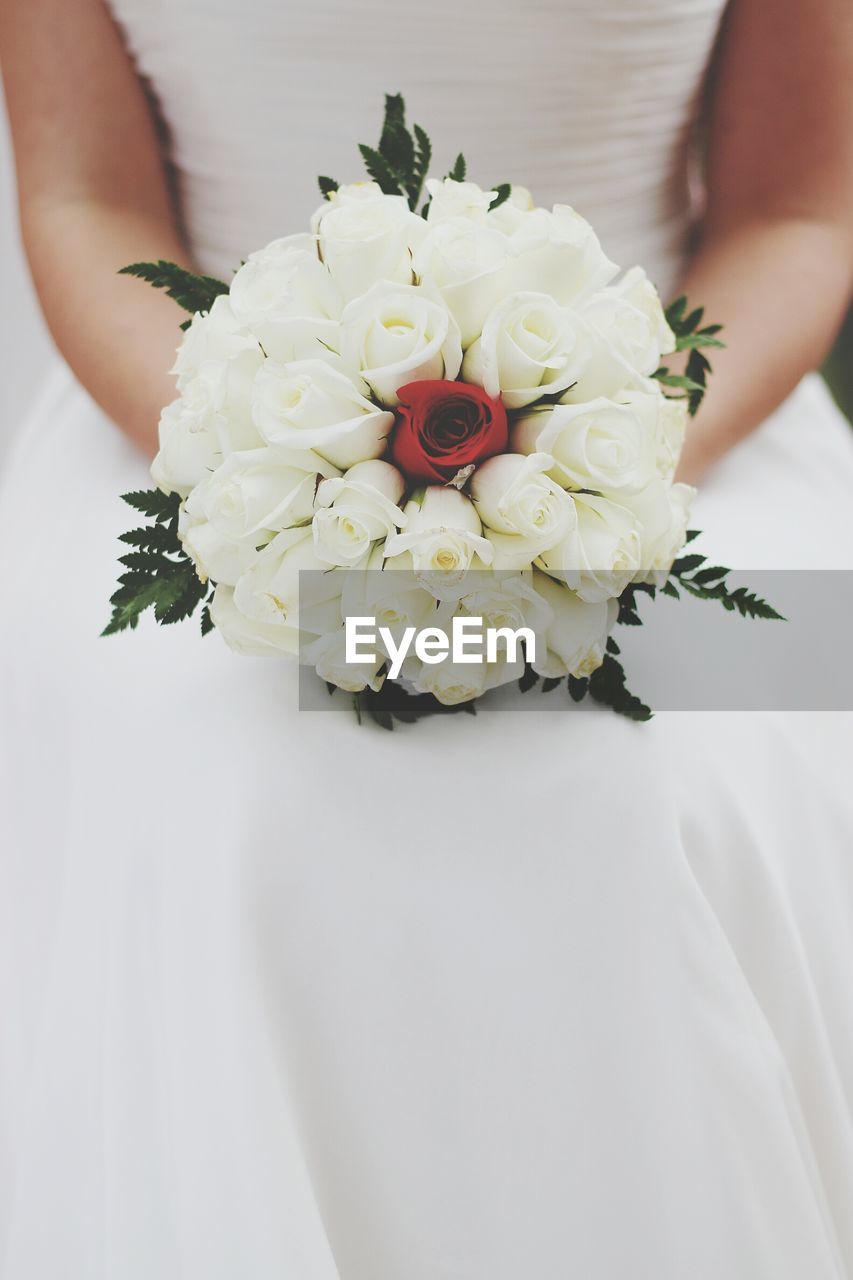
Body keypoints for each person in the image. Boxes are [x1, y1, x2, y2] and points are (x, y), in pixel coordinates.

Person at [1, 1, 852, 1276]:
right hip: (189, 421)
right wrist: (270, 470)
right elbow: (83, 201)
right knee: (215, 768)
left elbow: (795, 212)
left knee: (698, 753)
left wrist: (586, 472)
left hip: (684, 425)